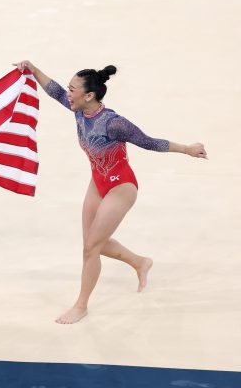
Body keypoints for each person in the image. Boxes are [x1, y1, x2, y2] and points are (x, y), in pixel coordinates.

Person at [14, 60, 207, 324]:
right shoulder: (79, 110)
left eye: (73, 90)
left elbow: (149, 142)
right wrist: (33, 69)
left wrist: (187, 149)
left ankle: (81, 305)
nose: (67, 94)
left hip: (121, 186)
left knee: (90, 248)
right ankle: (140, 263)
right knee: (94, 244)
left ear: (89, 96)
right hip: (98, 180)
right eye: (69, 89)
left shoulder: (113, 123)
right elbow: (56, 91)